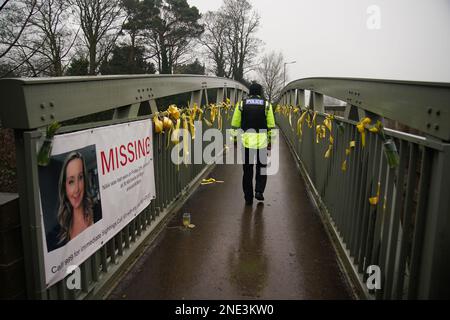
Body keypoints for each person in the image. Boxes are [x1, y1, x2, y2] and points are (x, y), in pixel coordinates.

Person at [231, 82, 276, 205]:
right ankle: (259, 191)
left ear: (249, 92)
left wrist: (235, 140)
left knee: (247, 170)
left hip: (246, 142)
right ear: (260, 92)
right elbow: (271, 126)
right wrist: (270, 142)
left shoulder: (241, 104)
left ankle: (248, 197)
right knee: (261, 168)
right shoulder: (266, 105)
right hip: (262, 141)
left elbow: (235, 124)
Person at [56, 152, 94, 245]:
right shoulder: (58, 233)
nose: (76, 189)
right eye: (71, 181)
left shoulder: (96, 212)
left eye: (80, 177)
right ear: (64, 187)